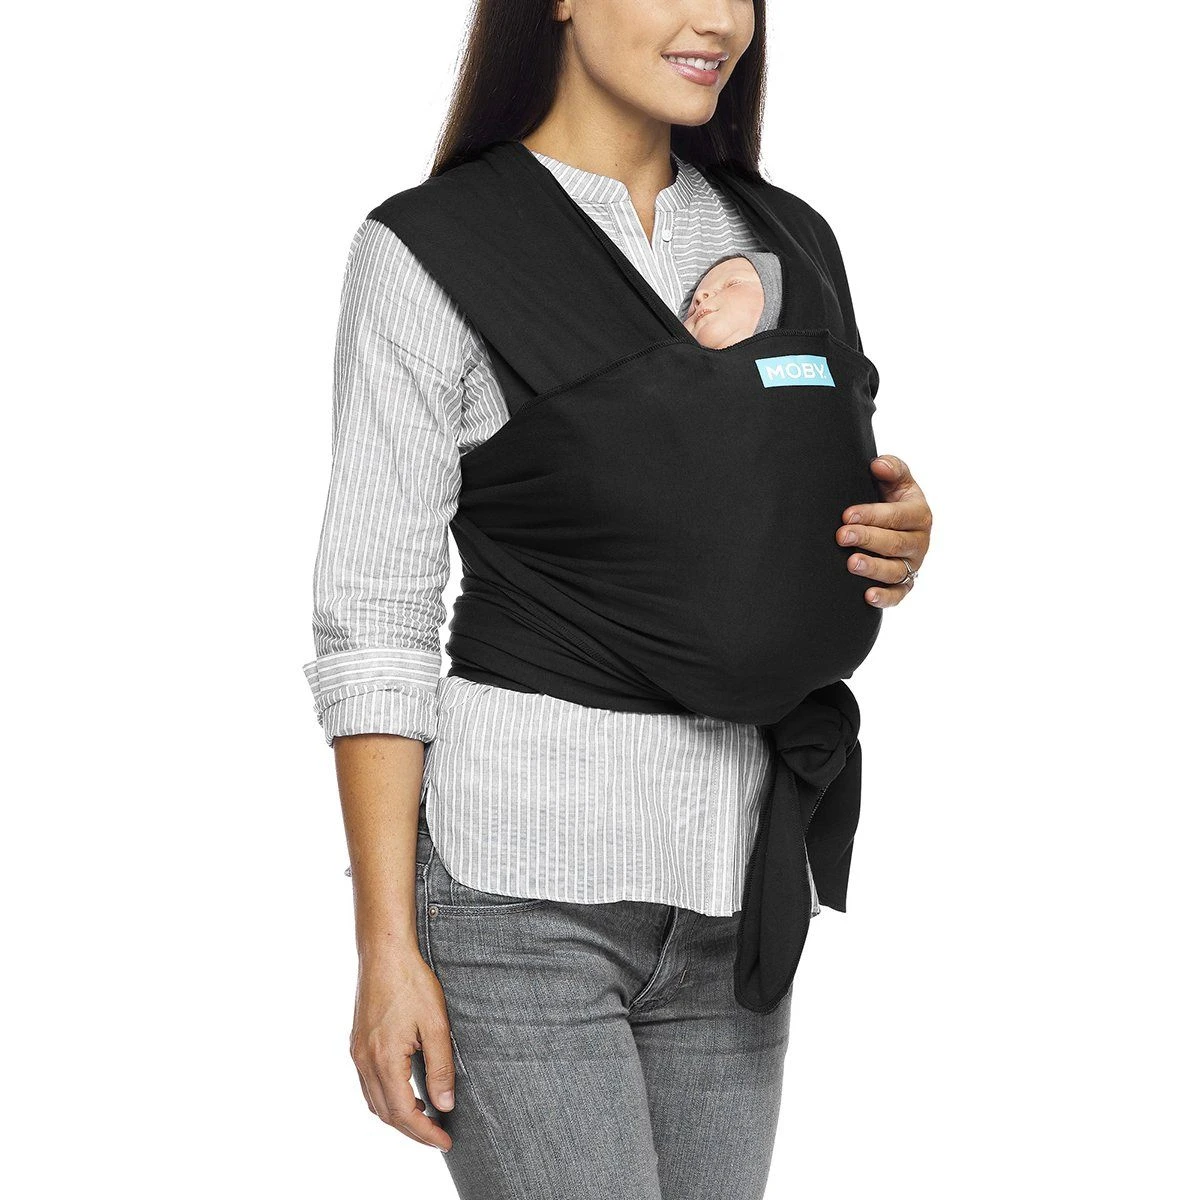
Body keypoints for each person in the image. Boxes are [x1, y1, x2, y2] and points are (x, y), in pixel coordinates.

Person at [303, 2, 933, 1197]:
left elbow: (766, 514)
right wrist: (385, 947)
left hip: (736, 893)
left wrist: (896, 534)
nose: (719, 21)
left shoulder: (786, 238)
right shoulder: (433, 249)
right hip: (518, 889)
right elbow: (375, 618)